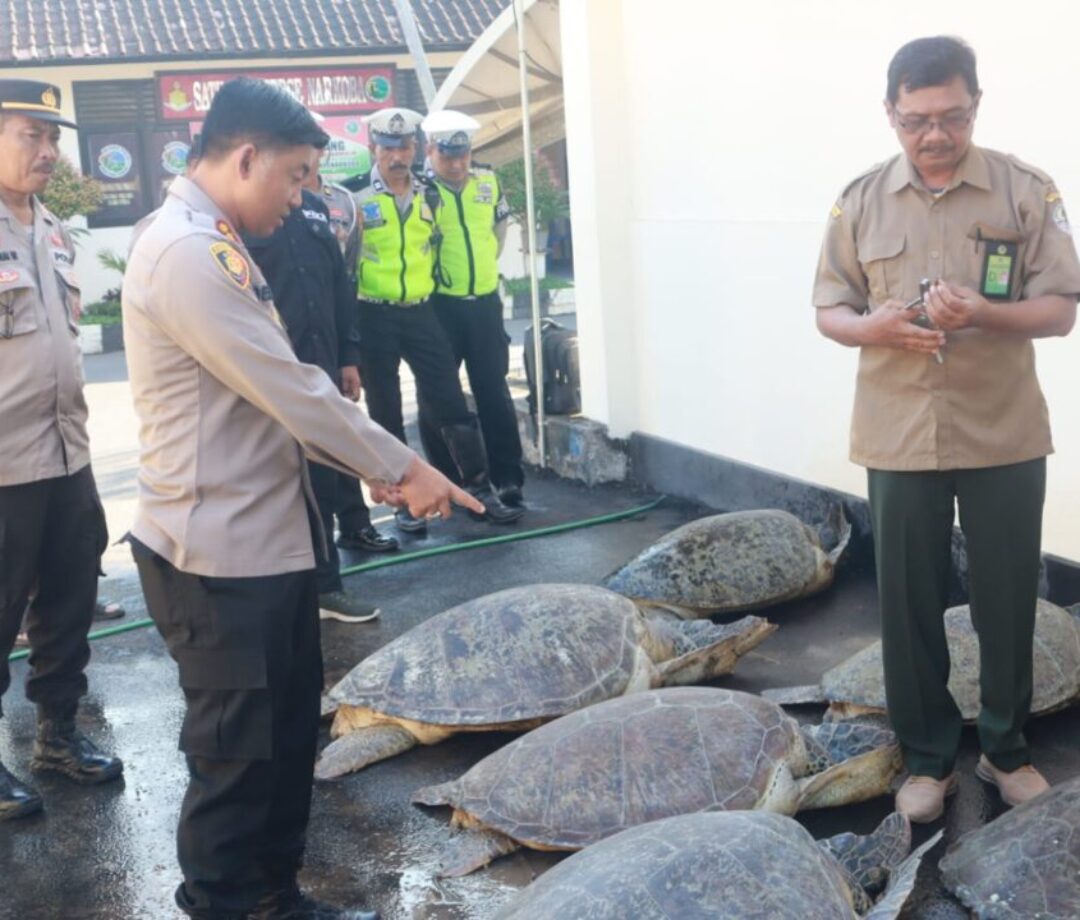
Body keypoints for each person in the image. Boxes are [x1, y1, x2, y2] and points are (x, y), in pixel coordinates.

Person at [123, 78, 481, 920]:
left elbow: (281, 396)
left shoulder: (218, 238)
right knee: (237, 758)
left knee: (284, 744)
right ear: (244, 157)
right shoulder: (186, 252)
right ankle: (226, 902)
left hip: (267, 541)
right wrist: (406, 467)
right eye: (295, 175)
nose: (303, 195)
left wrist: (376, 469)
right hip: (217, 557)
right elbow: (289, 387)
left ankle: (270, 898)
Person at [813, 36, 1080, 823]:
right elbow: (829, 309)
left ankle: (1006, 751)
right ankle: (928, 759)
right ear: (891, 113)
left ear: (975, 106)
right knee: (908, 600)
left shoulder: (1023, 191)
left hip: (1003, 433)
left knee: (1007, 599)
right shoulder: (860, 201)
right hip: (898, 433)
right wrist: (876, 329)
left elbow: (1061, 311)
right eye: (917, 120)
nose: (935, 135)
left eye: (952, 117)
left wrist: (986, 314)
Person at [0, 79, 124, 823]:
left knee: (70, 600)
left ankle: (56, 736)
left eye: (54, 139)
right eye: (29, 135)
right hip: (2, 466)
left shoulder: (50, 227)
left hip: (66, 453)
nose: (48, 152)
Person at [352, 107, 524, 533]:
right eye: (389, 147)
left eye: (404, 146)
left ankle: (478, 489)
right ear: (374, 148)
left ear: (416, 148)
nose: (398, 155)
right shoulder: (354, 198)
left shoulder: (429, 192)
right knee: (386, 412)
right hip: (373, 313)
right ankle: (404, 503)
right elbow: (344, 264)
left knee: (449, 399)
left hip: (423, 310)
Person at [243, 164, 391, 624]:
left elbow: (338, 285)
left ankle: (326, 586)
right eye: (297, 163)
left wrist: (348, 355)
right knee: (271, 481)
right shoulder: (246, 217)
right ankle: (275, 590)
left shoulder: (315, 211)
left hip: (322, 361)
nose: (304, 176)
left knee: (321, 477)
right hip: (268, 370)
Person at [416, 110, 526, 508]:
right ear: (430, 150)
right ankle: (449, 480)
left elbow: (498, 232)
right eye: (448, 157)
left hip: (483, 304)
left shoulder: (488, 182)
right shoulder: (419, 190)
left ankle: (508, 477)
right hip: (439, 307)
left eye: (463, 155)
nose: (458, 165)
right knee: (438, 397)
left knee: (493, 392)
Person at [317, 173, 400, 555]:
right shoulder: (271, 201)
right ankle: (316, 547)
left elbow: (347, 278)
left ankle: (355, 525)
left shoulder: (344, 202)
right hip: (290, 336)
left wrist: (349, 354)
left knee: (342, 428)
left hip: (334, 331)